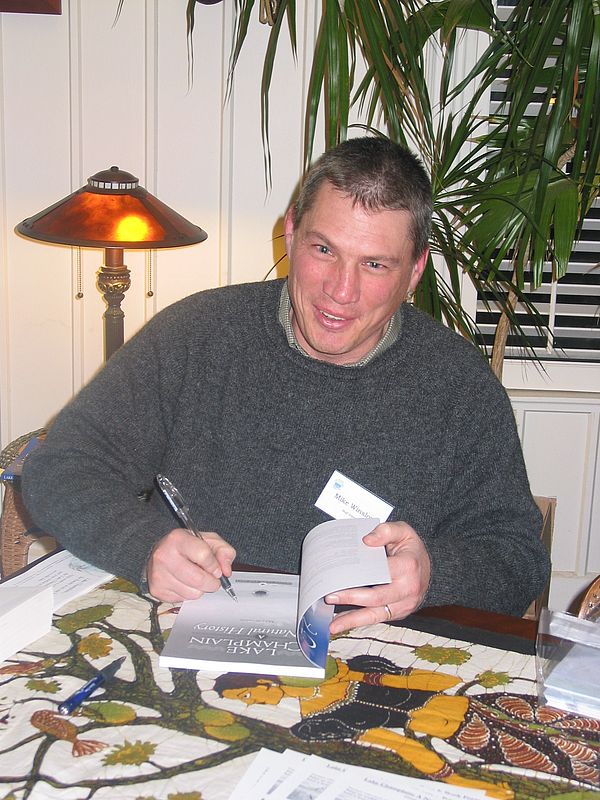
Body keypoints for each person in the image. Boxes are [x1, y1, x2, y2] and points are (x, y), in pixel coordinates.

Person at [22, 136, 550, 630]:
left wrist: (435, 574)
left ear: (414, 271)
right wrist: (143, 546)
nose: (341, 291)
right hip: (186, 632)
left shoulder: (459, 386)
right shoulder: (198, 335)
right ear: (292, 232)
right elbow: (62, 467)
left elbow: (518, 556)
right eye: (324, 250)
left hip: (371, 656)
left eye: (374, 264)